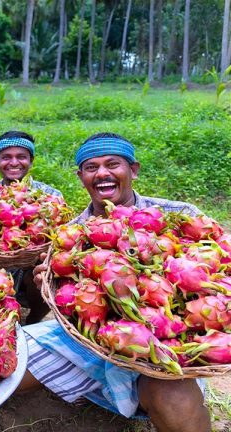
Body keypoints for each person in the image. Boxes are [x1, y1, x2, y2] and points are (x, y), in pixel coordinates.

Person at [19, 132, 210, 432]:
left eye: (113, 164)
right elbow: (68, 304)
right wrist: (47, 283)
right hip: (89, 341)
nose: (102, 173)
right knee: (10, 364)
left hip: (166, 345)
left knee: (172, 395)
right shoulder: (69, 235)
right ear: (80, 176)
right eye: (91, 167)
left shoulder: (180, 215)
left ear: (133, 170)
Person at [0, 131, 63, 324]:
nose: (14, 163)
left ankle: (32, 321)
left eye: (21, 157)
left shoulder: (50, 195)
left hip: (31, 270)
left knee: (45, 269)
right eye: (6, 157)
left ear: (31, 161)